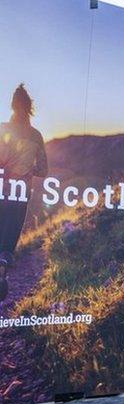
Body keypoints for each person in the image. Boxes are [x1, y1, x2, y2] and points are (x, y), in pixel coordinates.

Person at [0, 83, 48, 298]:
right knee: (8, 240)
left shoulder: (3, 129)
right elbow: (44, 170)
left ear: (12, 105)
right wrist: (29, 171)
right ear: (30, 108)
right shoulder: (36, 135)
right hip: (20, 191)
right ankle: (2, 271)